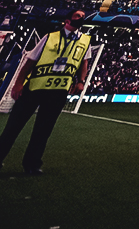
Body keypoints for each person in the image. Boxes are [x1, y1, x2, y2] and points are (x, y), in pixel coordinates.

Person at [0, 10, 92, 175]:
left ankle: (32, 164)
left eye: (83, 15)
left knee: (43, 130)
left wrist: (81, 81)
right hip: (35, 87)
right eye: (78, 15)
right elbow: (30, 61)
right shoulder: (50, 37)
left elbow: (84, 62)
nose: (81, 17)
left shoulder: (85, 41)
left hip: (58, 92)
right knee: (13, 126)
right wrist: (18, 84)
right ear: (67, 20)